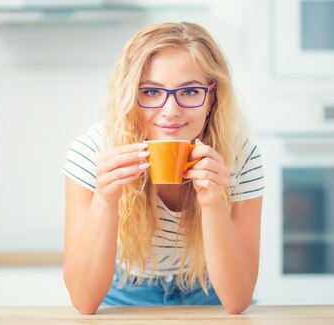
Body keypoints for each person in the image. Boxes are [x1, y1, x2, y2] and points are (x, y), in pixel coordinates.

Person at [61, 22, 264, 315]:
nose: (170, 111)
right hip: (123, 297)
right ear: (131, 96)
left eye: (190, 91)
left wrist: (213, 203)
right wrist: (105, 200)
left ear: (212, 97)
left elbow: (238, 300)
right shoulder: (92, 152)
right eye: (152, 92)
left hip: (208, 295)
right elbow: (83, 301)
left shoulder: (240, 157)